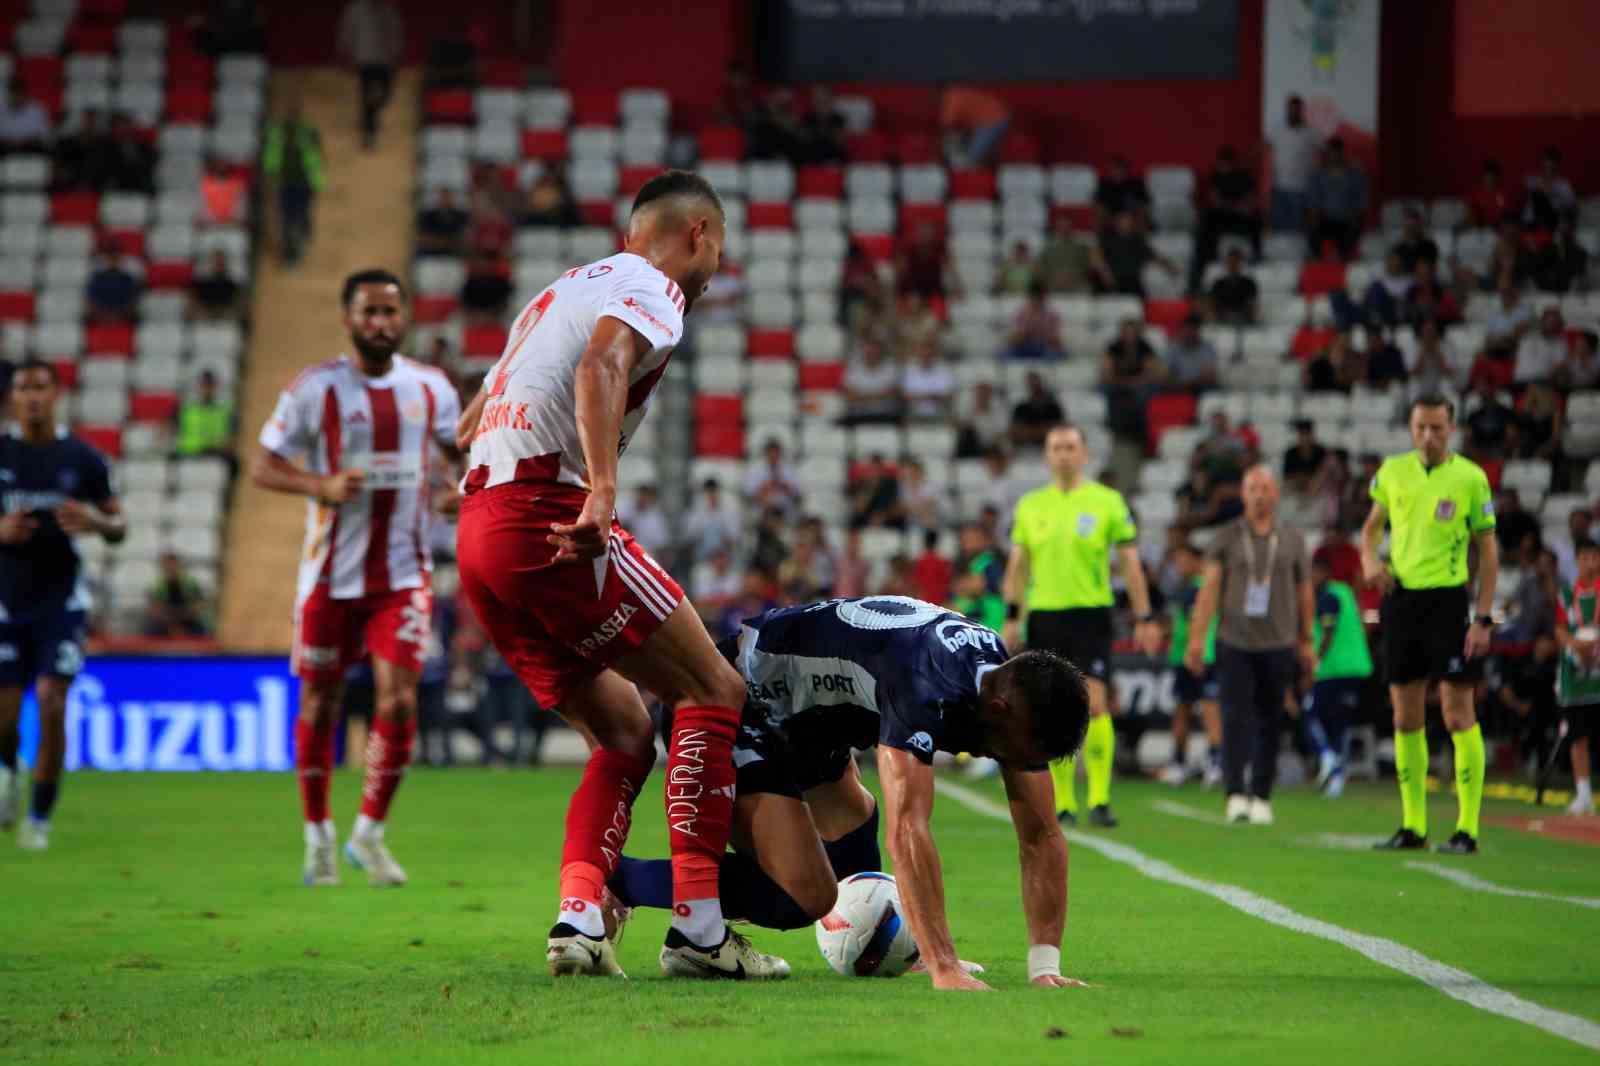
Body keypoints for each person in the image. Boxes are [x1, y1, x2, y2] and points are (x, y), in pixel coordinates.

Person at [453, 171, 785, 979]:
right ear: (699, 233)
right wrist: (600, 490)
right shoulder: (654, 283)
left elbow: (468, 420)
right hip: (548, 516)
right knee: (715, 688)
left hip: (480, 533)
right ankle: (700, 930)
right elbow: (601, 364)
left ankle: (579, 919)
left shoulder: (564, 288)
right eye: (720, 251)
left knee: (624, 733)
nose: (714, 271)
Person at [609, 596, 1092, 991]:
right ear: (1001, 708)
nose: (1018, 764)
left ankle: (912, 949)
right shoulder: (924, 683)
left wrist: (1043, 966)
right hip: (734, 702)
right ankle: (616, 881)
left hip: (810, 726)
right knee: (804, 895)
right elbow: (909, 831)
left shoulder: (1004, 683)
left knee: (854, 831)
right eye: (1020, 752)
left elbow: (1041, 834)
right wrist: (945, 966)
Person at [251, 269, 462, 888]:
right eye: (369, 312)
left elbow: (459, 460)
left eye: (390, 312)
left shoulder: (431, 388)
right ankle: (317, 833)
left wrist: (458, 491)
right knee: (320, 700)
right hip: (328, 577)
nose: (381, 323)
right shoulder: (316, 389)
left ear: (405, 318)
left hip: (402, 575)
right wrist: (317, 484)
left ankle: (369, 833)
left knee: (399, 697)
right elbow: (264, 465)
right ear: (348, 319)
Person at [1002, 425, 1163, 828]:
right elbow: (1018, 566)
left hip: (1091, 616)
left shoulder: (1107, 502)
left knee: (1095, 703)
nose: (1063, 454)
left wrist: (1144, 616)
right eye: (1056, 447)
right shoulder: (1030, 506)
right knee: (1051, 710)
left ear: (1085, 454)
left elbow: (1130, 563)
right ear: (1046, 456)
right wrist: (1011, 615)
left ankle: (1100, 798)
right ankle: (1064, 804)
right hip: (1045, 615)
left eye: (1071, 447)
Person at [1361, 394, 1499, 854]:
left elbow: (1489, 552)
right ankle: (1413, 826)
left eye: (1437, 428)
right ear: (1411, 426)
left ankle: (1467, 828)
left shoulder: (1471, 478)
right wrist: (1368, 561)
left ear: (1451, 428)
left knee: (1458, 711)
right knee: (1405, 715)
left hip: (1448, 601)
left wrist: (1483, 618)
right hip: (1401, 600)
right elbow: (1370, 528)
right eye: (1421, 427)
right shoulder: (1392, 471)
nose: (1428, 436)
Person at [0, 361, 125, 849]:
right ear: (12, 398)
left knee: (53, 704)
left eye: (41, 388)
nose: (32, 397)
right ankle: (8, 777)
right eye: (23, 389)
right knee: (5, 722)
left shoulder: (84, 458)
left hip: (62, 604)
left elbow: (120, 528)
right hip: (7, 604)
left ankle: (40, 820)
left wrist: (95, 521)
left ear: (57, 395)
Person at [1185, 466, 1313, 825]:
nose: (1259, 495)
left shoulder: (1292, 539)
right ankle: (1235, 792)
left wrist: (1308, 639)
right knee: (1234, 718)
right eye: (1252, 488)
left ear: (1276, 495)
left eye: (1265, 488)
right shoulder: (1225, 537)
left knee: (1271, 719)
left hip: (1279, 641)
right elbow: (1209, 590)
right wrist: (1197, 639)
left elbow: (1305, 593)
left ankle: (1261, 793)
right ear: (1243, 494)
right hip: (1234, 641)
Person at [1298, 555, 1373, 798]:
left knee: (1309, 713)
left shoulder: (1328, 597)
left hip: (1333, 670)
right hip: (1356, 668)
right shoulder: (1344, 592)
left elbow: (1328, 634)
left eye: (1313, 573)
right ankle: (1336, 780)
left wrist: (1314, 666)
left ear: (1324, 573)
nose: (1310, 579)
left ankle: (1328, 757)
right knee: (1339, 724)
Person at [1161, 542, 1222, 788]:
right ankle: (1181, 762)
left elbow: (1193, 622)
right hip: (1184, 657)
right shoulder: (1187, 589)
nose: (1178, 566)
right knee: (1184, 710)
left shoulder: (1198, 590)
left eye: (1182, 560)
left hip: (1200, 657)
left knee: (1208, 710)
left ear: (1197, 561)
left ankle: (1214, 762)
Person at [1554, 539, 1600, 816]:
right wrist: (1574, 645)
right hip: (1574, 671)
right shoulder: (1567, 593)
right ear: (1577, 560)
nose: (1590, 563)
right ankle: (1583, 794)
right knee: (1578, 734)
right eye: (1585, 558)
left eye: (1595, 557)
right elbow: (1559, 628)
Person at [263, 100, 325, 266]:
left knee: (301, 215)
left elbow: (317, 158)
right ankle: (289, 253)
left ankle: (302, 238)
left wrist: (318, 182)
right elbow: (271, 157)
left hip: (304, 182)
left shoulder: (308, 132)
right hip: (286, 183)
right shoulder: (277, 132)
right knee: (286, 219)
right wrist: (272, 178)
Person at [1191, 146, 1260, 293]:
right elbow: (1214, 199)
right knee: (1206, 223)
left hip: (1240, 216)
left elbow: (1250, 200)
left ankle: (1257, 259)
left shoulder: (1244, 176)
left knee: (1255, 220)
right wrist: (1229, 205)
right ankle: (1201, 268)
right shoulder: (1215, 176)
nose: (1223, 166)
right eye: (1221, 163)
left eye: (1226, 163)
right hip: (1221, 217)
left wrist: (1237, 206)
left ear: (1231, 163)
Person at [338, 0, 403, 149]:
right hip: (364, 58)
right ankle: (369, 132)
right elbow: (347, 30)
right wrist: (344, 51)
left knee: (386, 94)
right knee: (367, 95)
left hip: (384, 59)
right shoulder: (355, 9)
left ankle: (371, 115)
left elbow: (395, 31)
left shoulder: (388, 9)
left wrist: (396, 53)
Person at [1305, 138, 1368, 260]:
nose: (1333, 157)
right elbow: (1313, 200)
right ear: (1327, 154)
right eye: (1330, 153)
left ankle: (1343, 258)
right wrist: (1314, 215)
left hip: (1347, 218)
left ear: (1342, 153)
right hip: (1326, 218)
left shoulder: (1355, 174)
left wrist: (1357, 214)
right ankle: (1316, 258)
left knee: (1352, 227)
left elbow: (1362, 199)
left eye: (1336, 153)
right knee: (1312, 226)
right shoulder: (1318, 175)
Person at [1268, 95, 1319, 233]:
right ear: (1287, 110)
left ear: (1301, 111)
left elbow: (1322, 155)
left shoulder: (1312, 132)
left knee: (1297, 229)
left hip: (1301, 188)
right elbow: (1267, 151)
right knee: (1278, 227)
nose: (1293, 112)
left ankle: (1296, 253)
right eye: (1291, 109)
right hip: (1279, 187)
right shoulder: (1276, 129)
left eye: (1296, 110)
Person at [938, 85, 1011, 168]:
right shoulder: (960, 90)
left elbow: (947, 124)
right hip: (991, 119)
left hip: (993, 121)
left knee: (972, 158)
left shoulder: (952, 96)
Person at [144, 551, 210, 638]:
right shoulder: (158, 585)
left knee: (202, 631)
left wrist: (185, 616)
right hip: (165, 622)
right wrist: (171, 624)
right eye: (167, 565)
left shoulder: (190, 582)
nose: (171, 568)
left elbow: (200, 604)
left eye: (173, 565)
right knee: (151, 630)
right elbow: (154, 608)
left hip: (189, 620)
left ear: (179, 565)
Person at [175, 369, 235, 461]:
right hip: (188, 454)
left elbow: (229, 438)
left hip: (215, 455)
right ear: (198, 386)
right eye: (204, 385)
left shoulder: (224, 411)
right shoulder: (186, 410)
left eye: (209, 385)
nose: (206, 389)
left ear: (215, 387)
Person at [1001, 281, 1065, 361]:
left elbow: (1057, 342)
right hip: (1023, 347)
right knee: (1003, 354)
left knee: (1058, 355)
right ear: (1030, 297)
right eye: (1034, 298)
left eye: (1039, 298)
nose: (1036, 301)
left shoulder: (1051, 315)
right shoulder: (1021, 313)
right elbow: (1012, 340)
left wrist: (1043, 332)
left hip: (1043, 348)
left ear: (1044, 298)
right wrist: (1026, 330)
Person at [743, 438, 801, 518]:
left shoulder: (789, 469)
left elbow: (797, 493)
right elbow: (749, 493)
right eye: (771, 452)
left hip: (785, 507)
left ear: (780, 454)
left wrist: (783, 485)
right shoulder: (755, 469)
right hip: (761, 507)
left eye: (776, 453)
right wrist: (765, 487)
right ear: (765, 453)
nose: (773, 456)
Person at [86, 239, 141, 321]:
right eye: (111, 257)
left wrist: (120, 314)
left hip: (123, 317)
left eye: (116, 257)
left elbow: (133, 301)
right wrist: (103, 314)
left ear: (120, 258)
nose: (114, 260)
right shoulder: (98, 278)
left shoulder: (128, 279)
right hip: (101, 317)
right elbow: (92, 299)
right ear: (107, 258)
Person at [1514, 306, 1569, 387]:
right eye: (1548, 320)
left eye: (1554, 321)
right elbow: (1516, 331)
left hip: (1542, 381)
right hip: (1520, 380)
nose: (1550, 324)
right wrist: (1533, 323)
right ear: (1542, 321)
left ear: (1559, 324)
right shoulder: (1528, 335)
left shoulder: (1560, 344)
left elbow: (1559, 367)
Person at [1163, 314, 1219, 392]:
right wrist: (1180, 383)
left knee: (1209, 388)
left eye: (1191, 331)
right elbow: (1166, 375)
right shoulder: (1173, 349)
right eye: (1185, 331)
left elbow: (1208, 376)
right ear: (1180, 331)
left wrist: (1189, 383)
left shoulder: (1207, 348)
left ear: (1197, 331)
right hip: (1178, 387)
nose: (1188, 334)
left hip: (1200, 387)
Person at [900, 340, 954, 420]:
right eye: (923, 354)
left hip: (940, 413)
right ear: (918, 354)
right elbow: (905, 396)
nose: (926, 356)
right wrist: (931, 397)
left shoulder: (944, 370)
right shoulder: (909, 370)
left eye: (929, 354)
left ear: (934, 354)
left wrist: (921, 397)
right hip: (914, 413)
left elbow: (949, 396)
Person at [1009, 371, 1065, 448]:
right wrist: (1041, 431)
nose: (1034, 386)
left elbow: (1057, 431)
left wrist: (1029, 431)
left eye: (1036, 382)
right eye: (1031, 383)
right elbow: (1015, 431)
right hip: (1025, 449)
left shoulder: (1053, 407)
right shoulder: (1021, 408)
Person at [1207, 247, 1258, 325]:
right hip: (1223, 319)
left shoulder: (1249, 283)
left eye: (1236, 262)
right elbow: (1213, 304)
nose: (1233, 265)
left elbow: (1252, 305)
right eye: (1231, 262)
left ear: (1240, 263)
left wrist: (1248, 316)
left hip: (1243, 319)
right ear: (1227, 263)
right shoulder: (1218, 284)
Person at [0, 78, 51, 154]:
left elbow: (45, 136)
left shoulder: (37, 110)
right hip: (5, 150)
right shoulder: (2, 110)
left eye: (19, 93)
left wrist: (24, 141)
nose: (16, 97)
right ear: (9, 94)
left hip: (30, 150)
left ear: (25, 94)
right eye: (13, 93)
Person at [189, 250, 241, 320]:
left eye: (221, 262)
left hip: (226, 320)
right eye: (217, 262)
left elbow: (237, 308)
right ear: (211, 263)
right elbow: (192, 308)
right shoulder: (201, 284)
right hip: (203, 321)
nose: (219, 264)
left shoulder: (233, 285)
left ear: (225, 264)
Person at [416, 188, 471, 255]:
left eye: (447, 197)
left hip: (455, 252)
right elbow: (424, 236)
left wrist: (449, 242)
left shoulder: (461, 216)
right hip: (432, 252)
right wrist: (438, 242)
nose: (445, 200)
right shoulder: (428, 215)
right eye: (442, 197)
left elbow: (465, 235)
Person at [1282, 420, 1328, 494]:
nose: (1304, 437)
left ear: (1312, 434)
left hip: (1318, 488)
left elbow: (1325, 474)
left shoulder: (1322, 452)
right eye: (1302, 434)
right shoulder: (1290, 453)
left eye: (1307, 433)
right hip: (1296, 487)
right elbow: (1287, 476)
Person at [199, 156, 248, 225]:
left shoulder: (237, 184)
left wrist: (235, 219)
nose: (221, 167)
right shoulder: (206, 184)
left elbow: (241, 206)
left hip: (234, 223)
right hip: (211, 223)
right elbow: (202, 205)